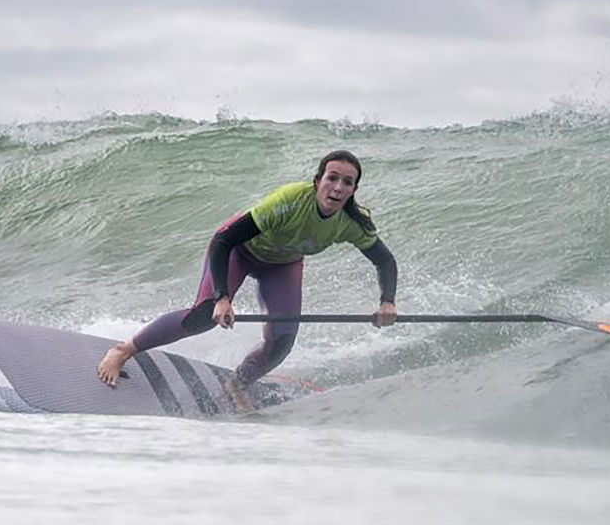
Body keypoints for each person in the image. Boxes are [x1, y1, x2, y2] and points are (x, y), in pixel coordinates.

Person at [96, 150, 397, 391]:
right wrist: (222, 298)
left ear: (354, 189)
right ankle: (123, 351)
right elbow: (224, 241)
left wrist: (387, 301)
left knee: (282, 342)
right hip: (239, 251)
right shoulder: (290, 201)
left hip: (282, 265)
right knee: (204, 316)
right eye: (332, 178)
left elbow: (385, 261)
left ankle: (237, 384)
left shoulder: (351, 223)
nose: (338, 188)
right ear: (317, 180)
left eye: (347, 182)